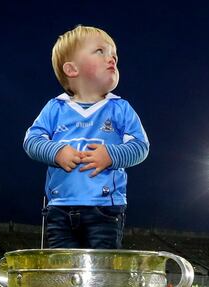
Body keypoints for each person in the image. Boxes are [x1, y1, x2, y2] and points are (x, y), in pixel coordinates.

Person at [24, 25, 149, 249]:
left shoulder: (119, 108)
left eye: (114, 55)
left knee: (101, 271)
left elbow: (141, 146)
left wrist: (111, 155)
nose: (111, 58)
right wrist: (57, 151)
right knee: (63, 271)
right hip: (59, 208)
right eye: (100, 51)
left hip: (106, 209)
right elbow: (32, 141)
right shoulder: (55, 108)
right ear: (72, 69)